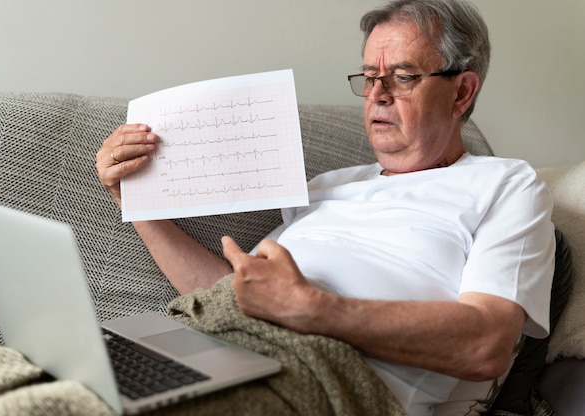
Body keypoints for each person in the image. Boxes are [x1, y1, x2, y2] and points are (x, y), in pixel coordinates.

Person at [95, 0, 555, 414]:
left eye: (402, 76)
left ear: (461, 92)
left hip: (329, 381)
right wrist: (135, 200)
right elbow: (237, 295)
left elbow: (486, 344)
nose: (377, 94)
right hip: (217, 345)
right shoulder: (325, 186)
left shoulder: (508, 184)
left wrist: (313, 309)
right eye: (370, 78)